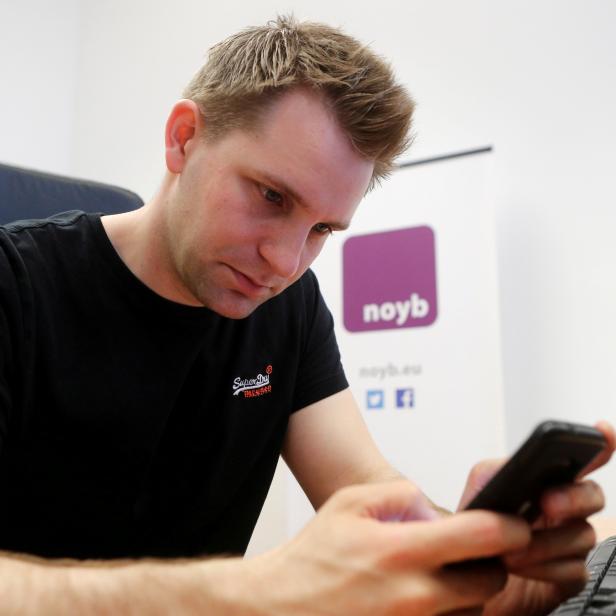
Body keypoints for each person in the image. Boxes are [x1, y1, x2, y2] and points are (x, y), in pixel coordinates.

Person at [0, 15, 613, 615]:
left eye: (321, 228)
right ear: (184, 137)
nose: (285, 261)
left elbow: (367, 485)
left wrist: (477, 557)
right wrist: (264, 591)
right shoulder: (15, 286)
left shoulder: (288, 306)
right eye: (271, 196)